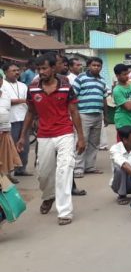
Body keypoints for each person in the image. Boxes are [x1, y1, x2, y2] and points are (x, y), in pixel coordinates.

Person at [15, 55, 86, 226]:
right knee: (43, 174)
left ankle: (65, 212)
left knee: (64, 171)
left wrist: (81, 137)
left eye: (44, 68)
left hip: (65, 133)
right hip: (44, 135)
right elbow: (31, 112)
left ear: (53, 68)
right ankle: (48, 196)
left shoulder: (66, 87)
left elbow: (74, 111)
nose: (41, 72)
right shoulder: (32, 88)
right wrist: (22, 136)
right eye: (39, 69)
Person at [71, 57, 108, 177]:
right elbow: (73, 97)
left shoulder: (102, 81)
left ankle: (90, 166)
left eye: (99, 65)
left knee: (94, 142)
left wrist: (105, 115)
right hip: (83, 114)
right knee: (82, 141)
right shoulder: (81, 78)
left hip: (98, 114)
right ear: (88, 66)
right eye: (94, 65)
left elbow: (104, 98)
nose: (96, 67)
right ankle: (78, 168)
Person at [1, 63, 30, 177]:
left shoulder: (23, 85)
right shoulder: (3, 85)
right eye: (13, 70)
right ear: (6, 72)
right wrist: (22, 100)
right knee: (10, 146)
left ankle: (21, 169)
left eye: (18, 70)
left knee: (25, 145)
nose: (16, 72)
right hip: (10, 119)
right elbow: (6, 101)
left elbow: (29, 101)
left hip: (24, 117)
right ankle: (10, 172)